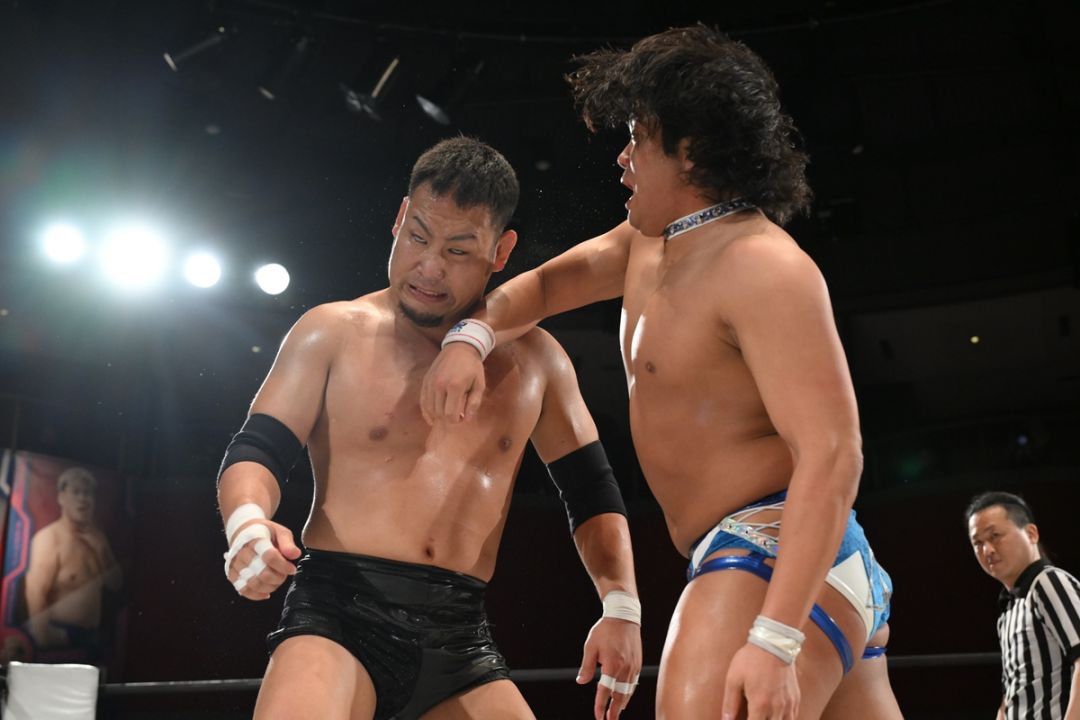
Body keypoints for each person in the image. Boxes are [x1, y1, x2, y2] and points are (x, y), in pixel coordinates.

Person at [421, 26, 902, 719]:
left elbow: (834, 452)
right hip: (791, 562)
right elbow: (546, 287)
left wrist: (774, 635)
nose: (623, 158)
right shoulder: (648, 245)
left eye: (637, 138)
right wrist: (470, 336)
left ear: (691, 151)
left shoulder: (763, 265)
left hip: (773, 551)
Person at [217, 137, 642, 720]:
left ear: (501, 251)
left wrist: (622, 606)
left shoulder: (538, 361)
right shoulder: (332, 331)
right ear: (399, 219)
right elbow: (257, 449)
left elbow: (591, 491)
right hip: (337, 615)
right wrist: (246, 525)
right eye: (418, 237)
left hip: (459, 635)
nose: (430, 267)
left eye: (458, 250)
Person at [966, 491, 1080, 719]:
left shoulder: (1049, 583)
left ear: (1031, 533)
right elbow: (1015, 688)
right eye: (978, 543)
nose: (987, 550)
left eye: (995, 536)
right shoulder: (1009, 608)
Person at [24, 466, 122, 655]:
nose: (82, 499)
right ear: (61, 497)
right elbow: (35, 592)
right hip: (58, 634)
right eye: (76, 492)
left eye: (88, 493)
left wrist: (102, 551)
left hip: (92, 637)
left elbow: (116, 585)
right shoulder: (50, 538)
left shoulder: (98, 538)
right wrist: (41, 635)